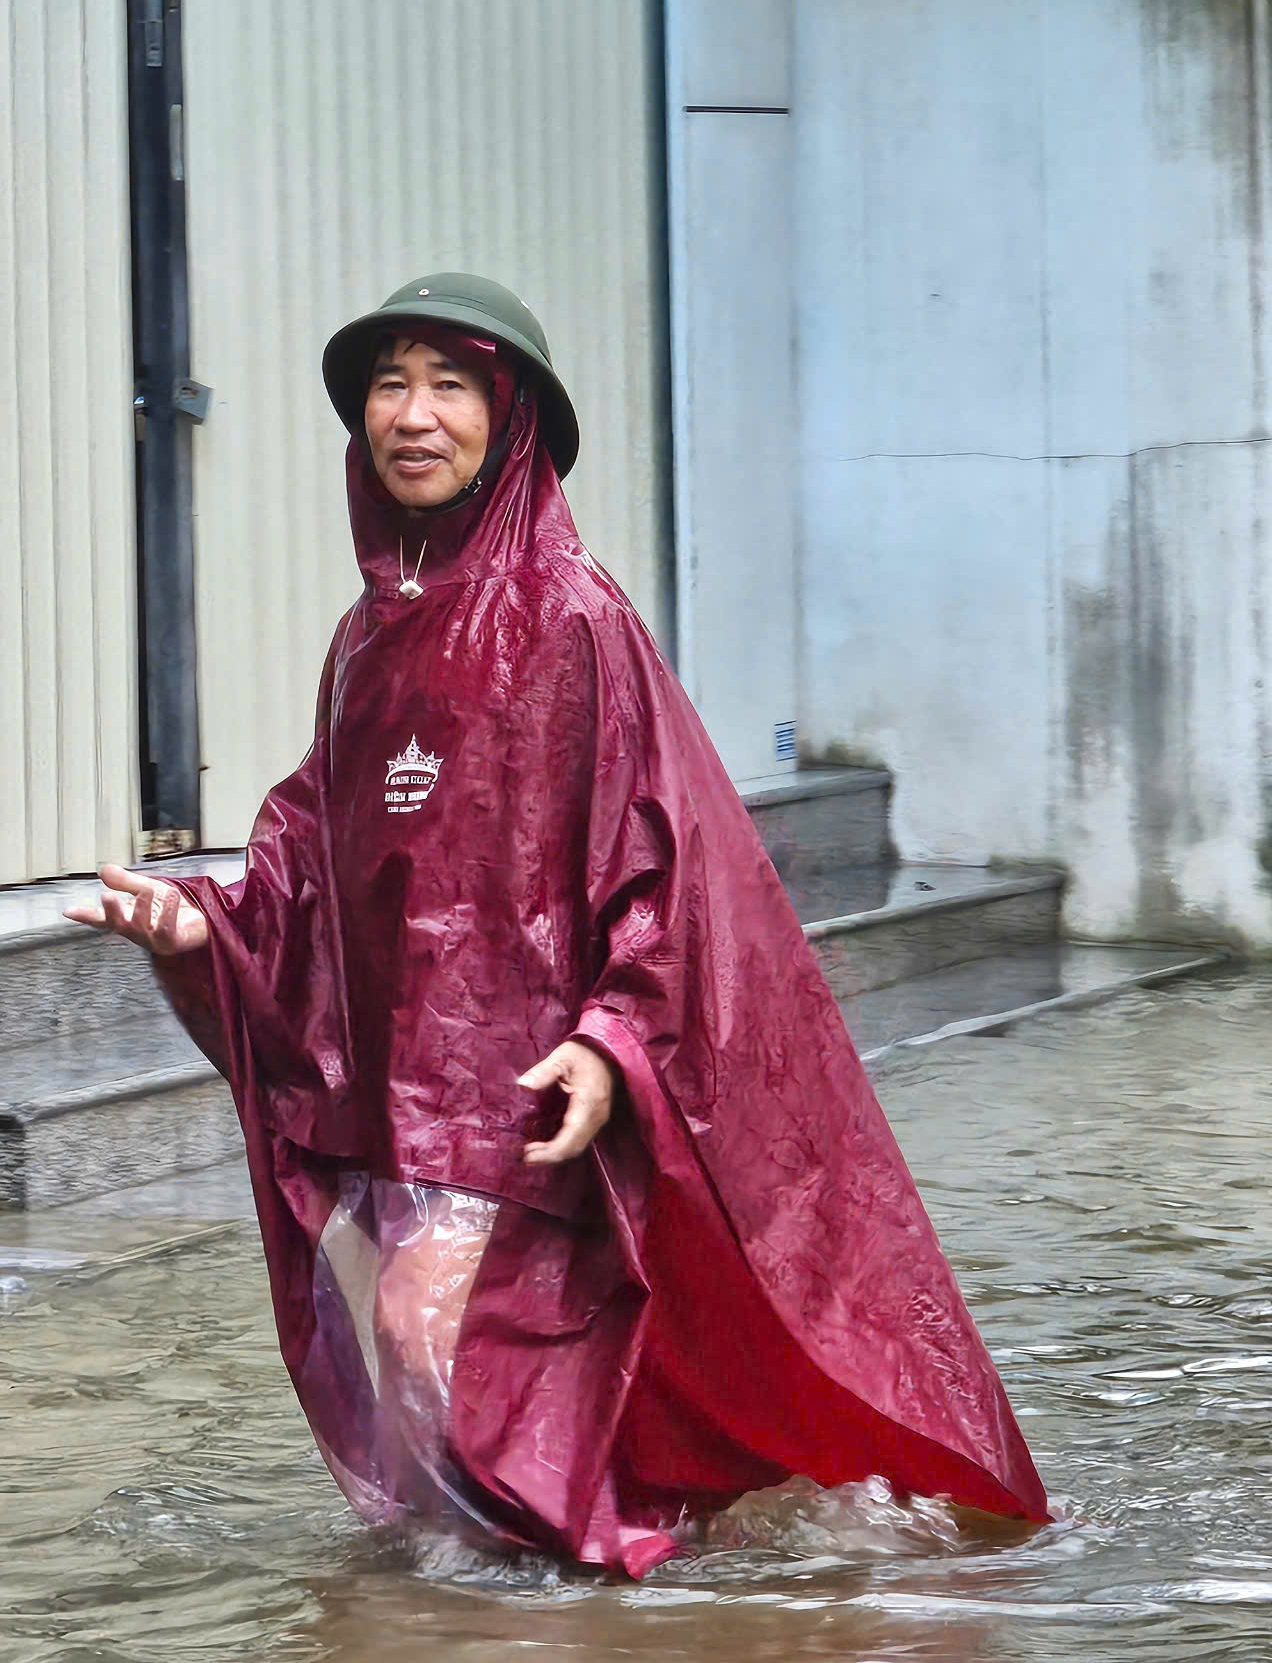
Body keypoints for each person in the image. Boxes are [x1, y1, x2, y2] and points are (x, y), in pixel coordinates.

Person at [66, 274, 1047, 1575]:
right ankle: (482, 1595)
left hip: (522, 1091)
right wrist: (205, 922)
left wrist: (610, 1034)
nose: (412, 416)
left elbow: (667, 861)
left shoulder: (577, 621)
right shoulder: (369, 640)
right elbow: (311, 854)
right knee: (403, 1351)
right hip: (400, 1087)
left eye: (450, 384)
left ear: (511, 417)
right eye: (389, 383)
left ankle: (554, 1594)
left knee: (437, 1337)